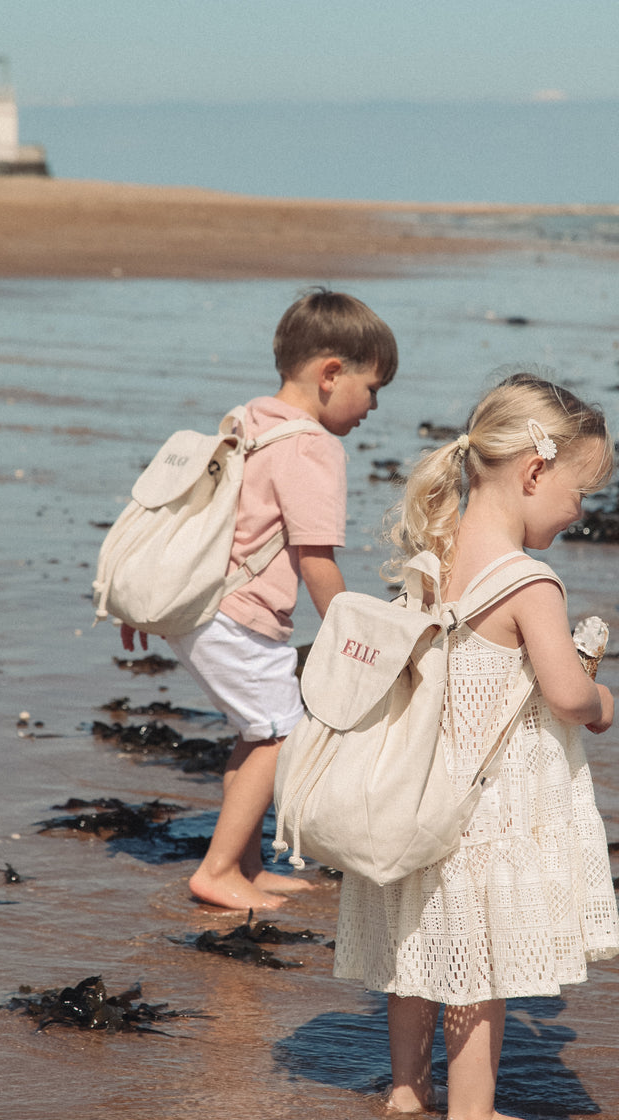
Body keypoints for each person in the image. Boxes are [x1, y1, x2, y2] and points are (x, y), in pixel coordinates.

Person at [333, 372, 619, 1120]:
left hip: (420, 786)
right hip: (486, 806)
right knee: (478, 962)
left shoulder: (437, 552)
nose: (581, 508)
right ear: (534, 472)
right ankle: (473, 1115)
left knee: (417, 947)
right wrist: (603, 704)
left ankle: (406, 1088)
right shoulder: (531, 583)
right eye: (579, 490)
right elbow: (565, 694)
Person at [121, 288, 398, 912]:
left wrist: (146, 600)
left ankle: (245, 863)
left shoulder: (246, 420)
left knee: (257, 731)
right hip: (235, 618)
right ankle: (217, 870)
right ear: (332, 373)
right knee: (280, 736)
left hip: (207, 608)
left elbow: (191, 516)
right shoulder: (312, 447)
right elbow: (316, 559)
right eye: (373, 387)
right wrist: (355, 639)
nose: (374, 405)